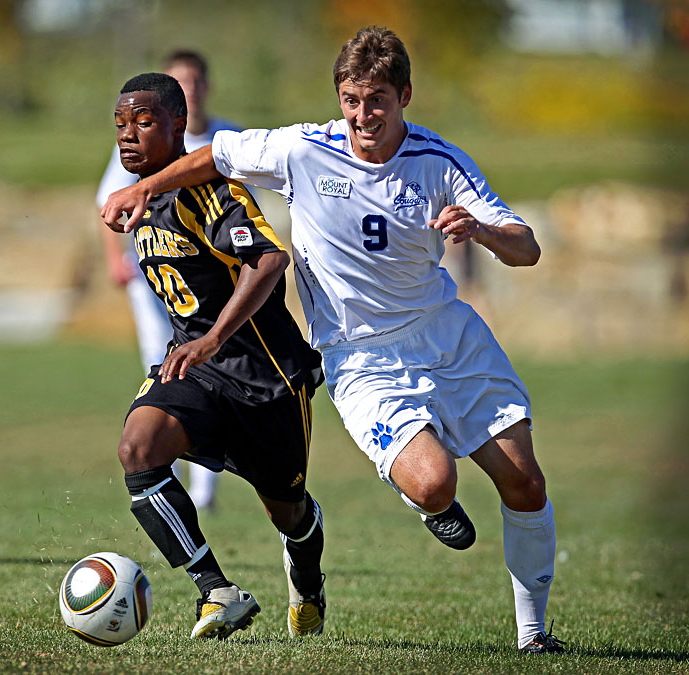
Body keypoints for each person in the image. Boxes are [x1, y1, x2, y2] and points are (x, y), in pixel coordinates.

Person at [102, 27, 564, 654]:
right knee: (435, 485)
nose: (362, 114)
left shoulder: (440, 163)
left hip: (448, 337)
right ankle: (418, 507)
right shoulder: (302, 148)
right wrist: (144, 187)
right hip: (361, 354)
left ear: (405, 95)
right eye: (351, 99)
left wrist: (482, 229)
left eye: (377, 100)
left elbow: (527, 248)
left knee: (526, 483)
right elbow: (217, 154)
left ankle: (534, 636)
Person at [109, 72, 326, 639]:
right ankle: (217, 591)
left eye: (144, 122)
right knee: (139, 449)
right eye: (120, 125)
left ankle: (306, 576)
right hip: (196, 369)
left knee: (290, 512)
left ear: (180, 124)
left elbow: (269, 262)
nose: (128, 135)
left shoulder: (208, 192)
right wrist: (196, 347)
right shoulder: (142, 198)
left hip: (266, 377)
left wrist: (214, 339)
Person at [96, 50, 240, 511]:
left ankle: (204, 488)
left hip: (211, 284)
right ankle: (162, 469)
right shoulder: (139, 137)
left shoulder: (229, 138)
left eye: (195, 80)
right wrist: (114, 257)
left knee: (202, 369)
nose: (190, 88)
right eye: (181, 81)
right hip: (153, 280)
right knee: (163, 366)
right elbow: (109, 200)